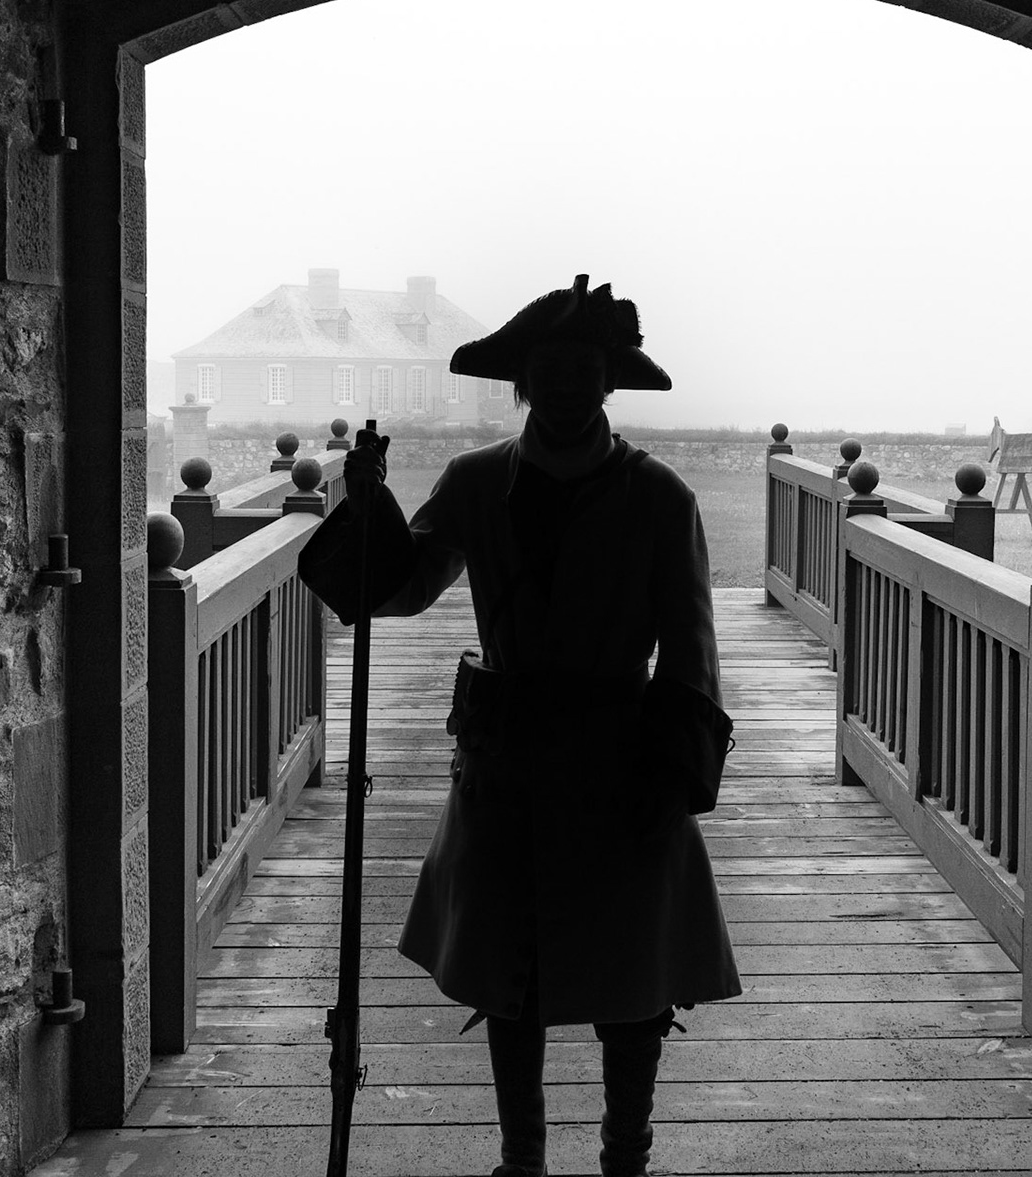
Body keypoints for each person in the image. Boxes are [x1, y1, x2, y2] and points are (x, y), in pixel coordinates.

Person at [300, 274, 742, 1177]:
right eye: (550, 367)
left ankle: (627, 1156)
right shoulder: (472, 483)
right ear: (524, 382)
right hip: (505, 761)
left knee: (633, 978)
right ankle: (522, 1159)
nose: (568, 383)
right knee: (512, 970)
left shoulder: (661, 498)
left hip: (625, 758)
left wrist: (676, 781)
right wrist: (368, 503)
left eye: (585, 366)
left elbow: (692, 653)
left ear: (609, 380)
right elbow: (398, 589)